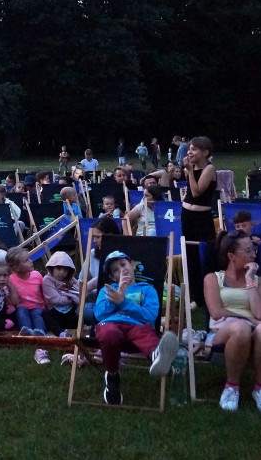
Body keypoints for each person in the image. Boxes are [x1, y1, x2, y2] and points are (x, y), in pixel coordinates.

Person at [204, 230, 261, 414]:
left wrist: (249, 281)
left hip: (256, 331)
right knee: (241, 327)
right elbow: (216, 312)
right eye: (248, 251)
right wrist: (247, 318)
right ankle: (231, 387)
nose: (253, 255)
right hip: (223, 331)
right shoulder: (213, 278)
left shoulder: (260, 281)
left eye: (254, 250)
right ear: (231, 256)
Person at [95, 250, 179, 405]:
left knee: (144, 332)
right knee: (109, 333)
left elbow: (150, 316)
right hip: (112, 327)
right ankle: (112, 376)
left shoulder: (147, 290)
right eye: (115, 270)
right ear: (113, 277)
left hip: (137, 326)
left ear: (132, 265)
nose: (121, 270)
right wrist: (119, 294)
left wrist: (124, 302)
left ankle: (157, 356)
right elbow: (99, 314)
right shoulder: (107, 290)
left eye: (123, 264)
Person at [181, 136, 217, 242]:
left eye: (194, 149)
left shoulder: (209, 169)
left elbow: (196, 193)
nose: (189, 152)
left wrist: (190, 171)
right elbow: (190, 191)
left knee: (205, 250)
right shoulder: (189, 169)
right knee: (189, 249)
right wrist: (189, 170)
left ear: (205, 153)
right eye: (189, 149)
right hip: (187, 214)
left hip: (202, 217)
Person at [41, 251, 81, 338]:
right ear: (52, 268)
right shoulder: (47, 280)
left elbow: (79, 295)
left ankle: (74, 333)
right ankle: (60, 333)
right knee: (46, 314)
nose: (62, 272)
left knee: (77, 315)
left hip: (70, 310)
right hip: (54, 310)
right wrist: (71, 297)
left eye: (65, 270)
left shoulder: (70, 280)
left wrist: (74, 297)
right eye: (59, 269)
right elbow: (56, 299)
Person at [7, 247, 45, 337]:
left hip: (37, 306)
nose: (31, 261)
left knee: (37, 315)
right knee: (21, 311)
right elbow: (12, 300)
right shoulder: (10, 280)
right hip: (22, 306)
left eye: (29, 258)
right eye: (26, 260)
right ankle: (27, 330)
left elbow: (43, 293)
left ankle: (40, 331)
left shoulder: (37, 275)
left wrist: (46, 307)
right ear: (16, 268)